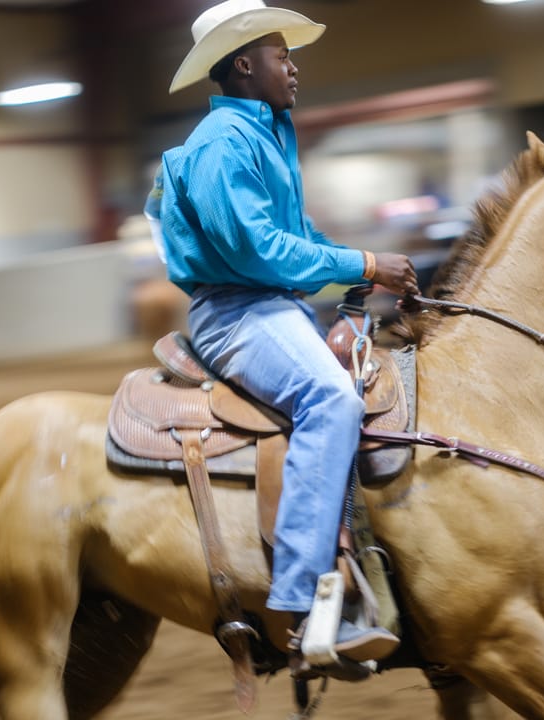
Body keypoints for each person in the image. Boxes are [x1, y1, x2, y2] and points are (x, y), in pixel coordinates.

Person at [152, 0, 418, 664]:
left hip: (272, 306)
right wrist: (362, 264)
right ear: (245, 64)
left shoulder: (266, 133)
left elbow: (297, 240)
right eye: (281, 56)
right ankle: (302, 602)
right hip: (238, 313)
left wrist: (362, 265)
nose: (293, 68)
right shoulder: (221, 147)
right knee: (331, 398)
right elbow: (261, 251)